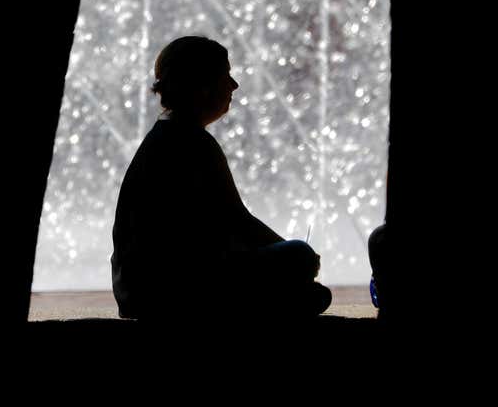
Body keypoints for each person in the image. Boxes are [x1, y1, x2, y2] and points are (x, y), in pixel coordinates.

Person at [111, 36, 332, 320]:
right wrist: (302, 256)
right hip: (171, 293)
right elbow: (239, 222)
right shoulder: (191, 142)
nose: (234, 85)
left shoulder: (165, 136)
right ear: (201, 86)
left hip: (138, 292)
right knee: (298, 256)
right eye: (225, 75)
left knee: (311, 293)